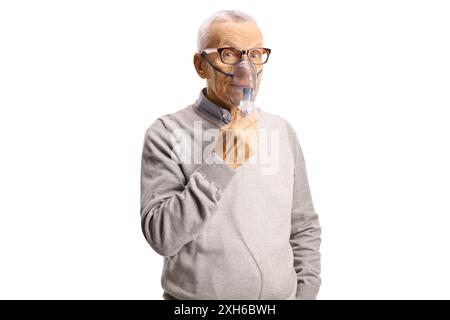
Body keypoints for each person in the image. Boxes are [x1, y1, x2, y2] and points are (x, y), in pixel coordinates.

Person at [140, 10, 321, 300]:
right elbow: (162, 235)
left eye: (256, 54)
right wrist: (220, 162)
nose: (245, 69)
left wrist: (306, 294)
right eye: (228, 54)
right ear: (201, 65)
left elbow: (303, 226)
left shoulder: (281, 130)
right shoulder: (166, 132)